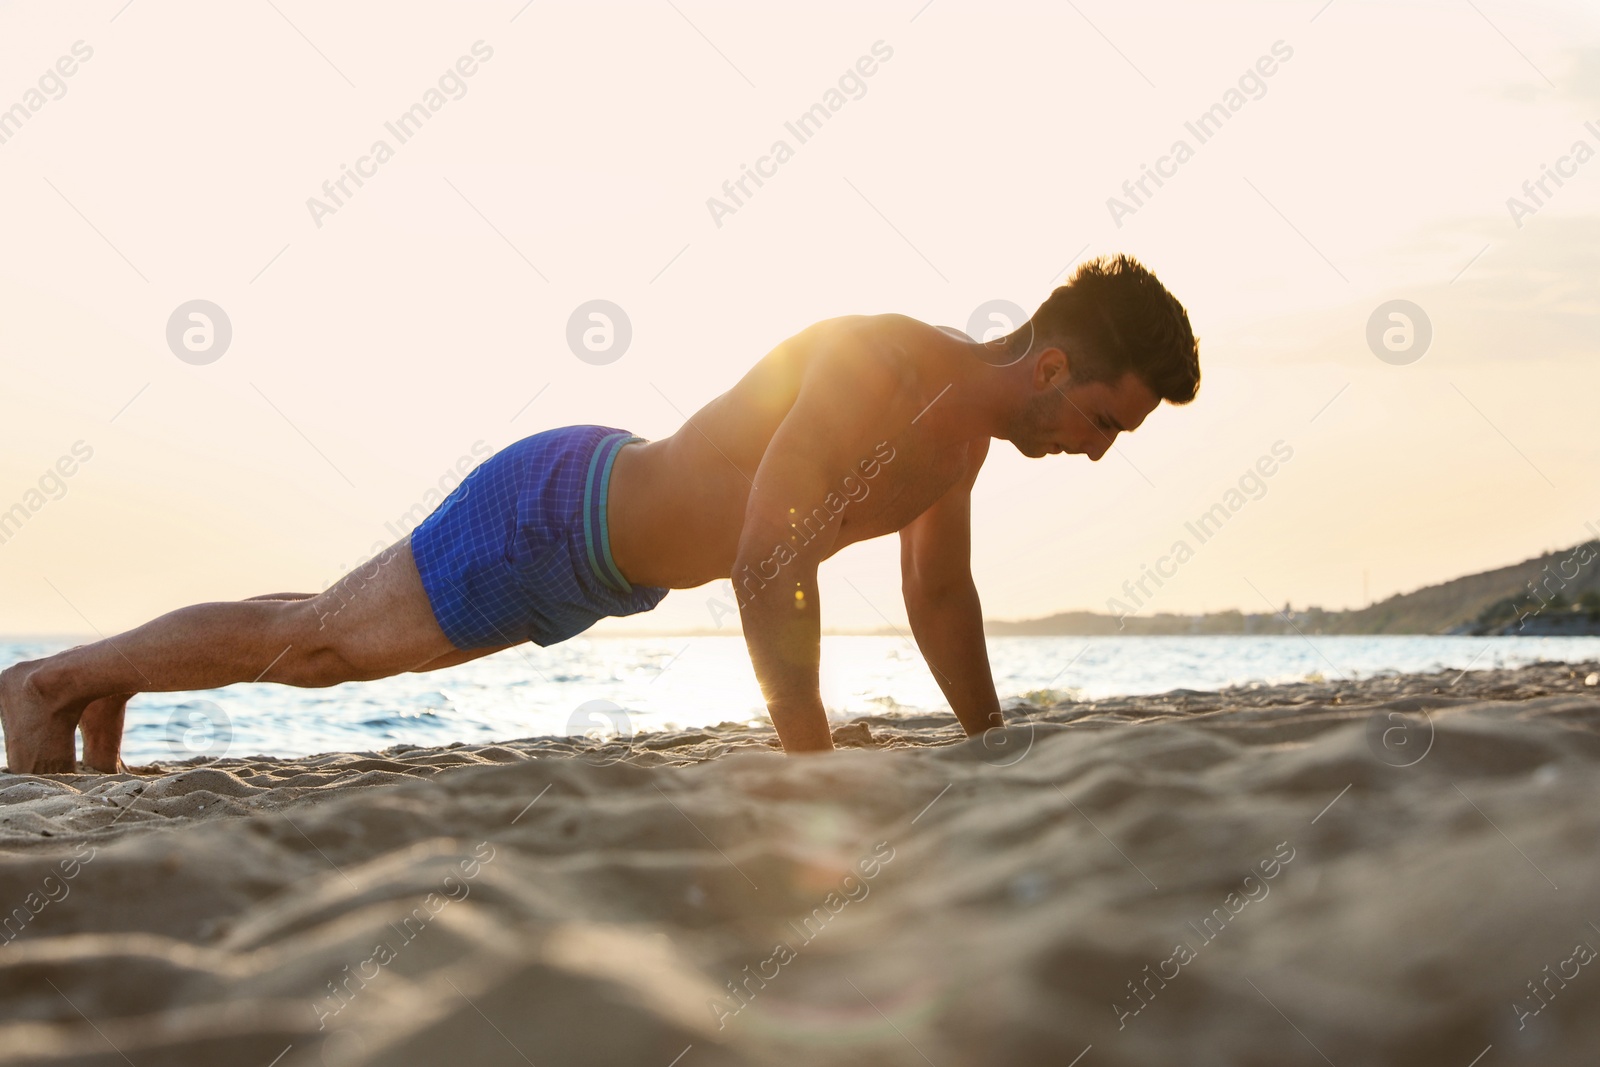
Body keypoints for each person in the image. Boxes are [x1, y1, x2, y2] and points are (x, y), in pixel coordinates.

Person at [1, 255, 1199, 773]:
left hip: (593, 566)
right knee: (323, 642)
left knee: (313, 633)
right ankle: (51, 684)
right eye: (1110, 420)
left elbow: (939, 596)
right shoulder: (882, 366)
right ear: (1051, 369)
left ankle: (115, 678)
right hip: (555, 512)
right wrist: (809, 763)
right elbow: (766, 554)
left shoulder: (960, 447)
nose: (1099, 451)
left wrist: (988, 744)